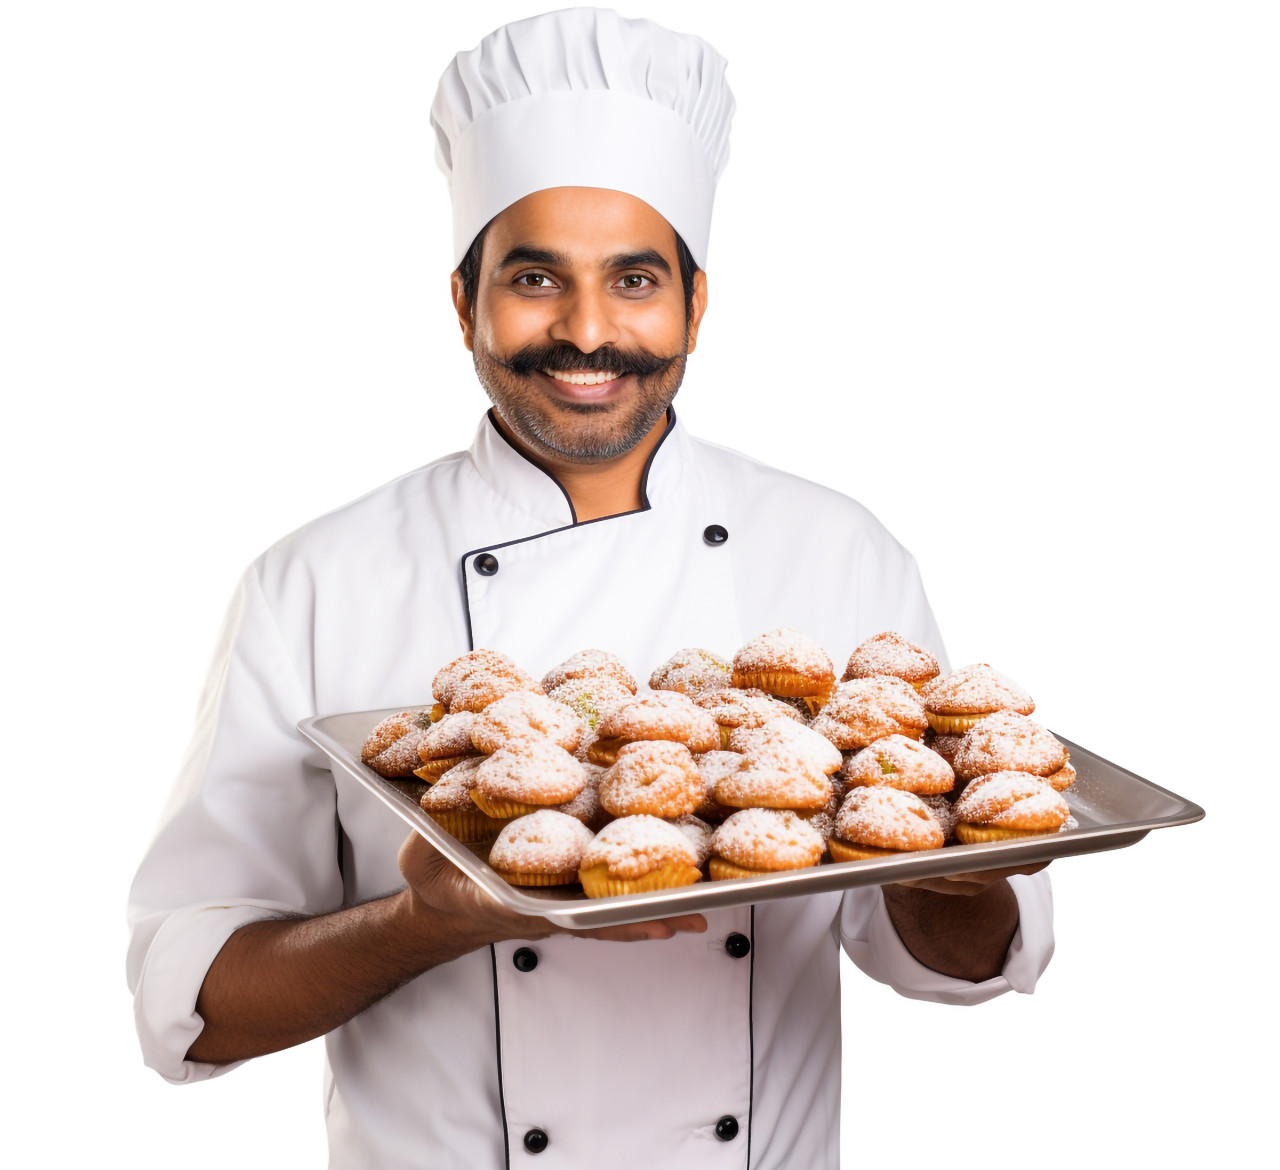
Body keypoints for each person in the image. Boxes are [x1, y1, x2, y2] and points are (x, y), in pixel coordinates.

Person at [127, 9, 1054, 1168]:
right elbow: (193, 1005)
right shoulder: (315, 580)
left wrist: (962, 861)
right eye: (532, 278)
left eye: (632, 279)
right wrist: (426, 924)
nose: (585, 332)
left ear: (694, 305)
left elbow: (957, 961)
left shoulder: (839, 554)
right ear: (462, 300)